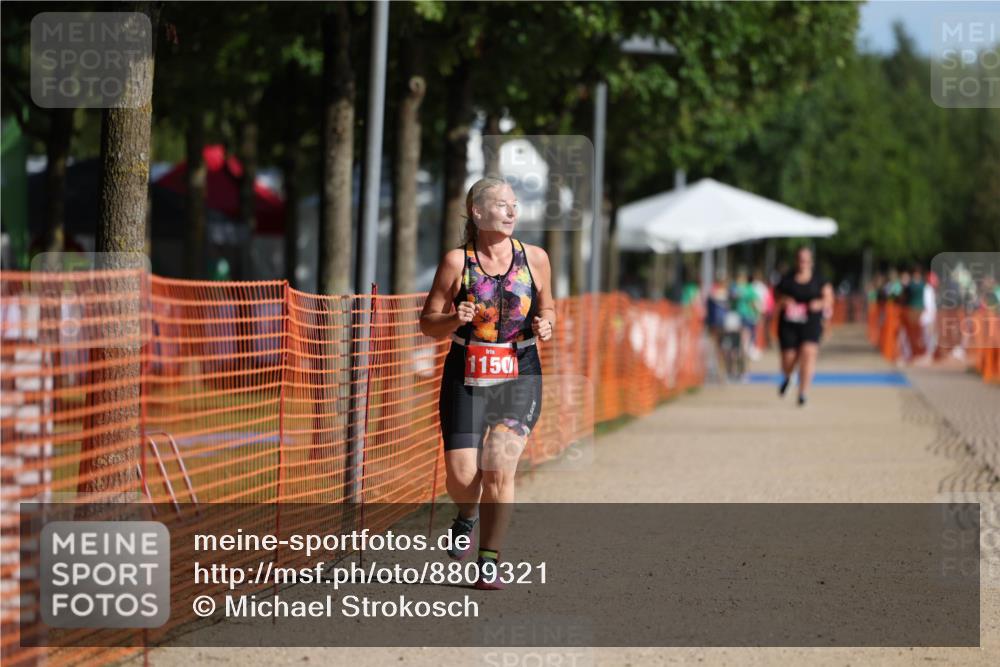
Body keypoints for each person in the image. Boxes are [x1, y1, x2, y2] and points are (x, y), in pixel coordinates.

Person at [419, 176, 554, 590]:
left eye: (514, 204)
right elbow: (427, 323)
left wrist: (547, 323)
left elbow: (549, 304)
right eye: (502, 205)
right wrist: (452, 318)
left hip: (520, 370)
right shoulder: (457, 262)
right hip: (466, 369)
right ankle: (467, 515)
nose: (512, 211)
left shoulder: (535, 257)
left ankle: (489, 559)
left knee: (498, 464)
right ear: (477, 212)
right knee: (462, 475)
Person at [775, 247, 833, 406]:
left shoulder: (819, 280)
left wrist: (819, 304)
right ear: (796, 261)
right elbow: (776, 298)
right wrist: (784, 302)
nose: (803, 263)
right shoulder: (787, 279)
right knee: (789, 359)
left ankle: (803, 393)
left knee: (808, 354)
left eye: (806, 260)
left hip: (811, 322)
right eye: (800, 260)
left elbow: (829, 298)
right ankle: (789, 377)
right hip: (789, 323)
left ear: (811, 262)